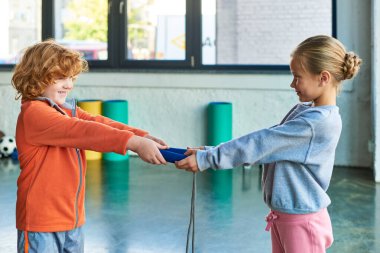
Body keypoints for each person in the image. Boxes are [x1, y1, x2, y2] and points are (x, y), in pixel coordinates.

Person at [175, 35, 362, 253]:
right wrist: (209, 151)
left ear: (323, 78)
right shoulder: (306, 112)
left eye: (297, 77)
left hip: (302, 222)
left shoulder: (318, 123)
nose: (293, 84)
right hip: (285, 216)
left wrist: (208, 159)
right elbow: (267, 142)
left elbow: (262, 143)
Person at [11, 39, 168, 253]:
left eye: (71, 78)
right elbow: (84, 131)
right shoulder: (35, 113)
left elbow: (97, 122)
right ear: (37, 78)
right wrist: (133, 143)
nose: (69, 85)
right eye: (60, 78)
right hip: (41, 224)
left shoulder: (63, 109)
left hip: (71, 220)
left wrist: (142, 136)